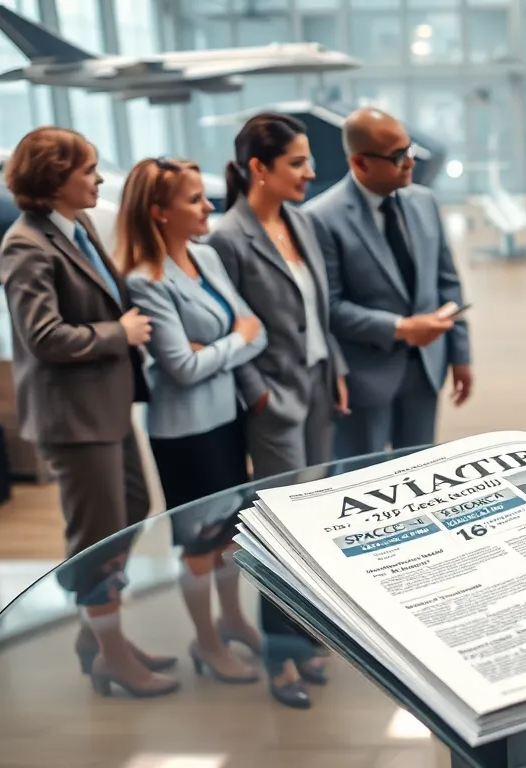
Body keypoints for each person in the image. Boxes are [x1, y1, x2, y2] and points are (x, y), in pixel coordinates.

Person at [0, 126, 178, 698]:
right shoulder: (25, 243)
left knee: (133, 509)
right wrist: (117, 333)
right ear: (54, 177)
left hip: (107, 407)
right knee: (95, 536)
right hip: (72, 418)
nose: (100, 178)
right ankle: (112, 655)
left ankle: (97, 640)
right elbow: (43, 336)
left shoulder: (76, 230)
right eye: (89, 169)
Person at [207, 112, 349, 709]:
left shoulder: (302, 221)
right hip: (274, 399)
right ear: (258, 169)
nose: (311, 173)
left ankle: (300, 632)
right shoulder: (227, 237)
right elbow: (225, 322)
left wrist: (336, 367)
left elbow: (320, 307)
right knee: (278, 531)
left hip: (316, 385)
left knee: (313, 523)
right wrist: (256, 393)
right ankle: (279, 658)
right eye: (297, 163)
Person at [118, 156, 267, 685]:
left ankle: (231, 621)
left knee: (230, 532)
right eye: (194, 200)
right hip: (184, 432)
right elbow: (181, 368)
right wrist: (235, 342)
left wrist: (220, 347)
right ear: (158, 212)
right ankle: (205, 643)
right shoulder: (145, 281)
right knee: (199, 543)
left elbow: (260, 330)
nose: (208, 207)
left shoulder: (206, 257)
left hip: (224, 420)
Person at [304, 107, 472, 459]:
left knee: (422, 468)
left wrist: (461, 356)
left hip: (425, 370)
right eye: (398, 157)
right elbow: (329, 308)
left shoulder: (423, 201)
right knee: (363, 478)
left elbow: (448, 283)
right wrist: (401, 328)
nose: (410, 162)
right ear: (360, 164)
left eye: (409, 150)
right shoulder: (321, 219)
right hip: (364, 379)